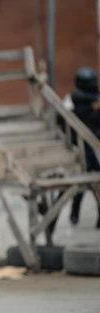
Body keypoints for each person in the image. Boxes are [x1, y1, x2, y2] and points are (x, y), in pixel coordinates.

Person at [70, 67, 100, 228]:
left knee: (92, 183)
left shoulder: (93, 99)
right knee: (79, 186)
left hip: (89, 146)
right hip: (79, 148)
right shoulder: (76, 100)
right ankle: (74, 214)